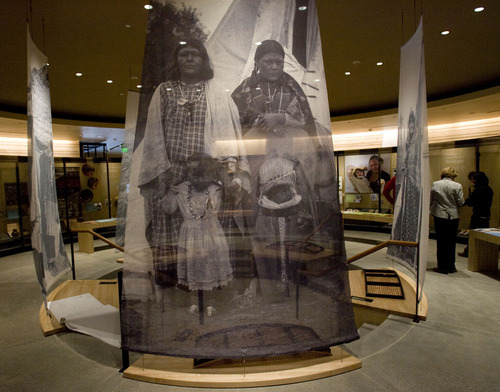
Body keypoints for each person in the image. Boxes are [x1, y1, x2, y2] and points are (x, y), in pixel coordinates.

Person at [138, 39, 250, 284]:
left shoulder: (216, 93)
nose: (189, 59)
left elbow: (226, 135)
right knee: (170, 230)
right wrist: (162, 175)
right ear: (177, 61)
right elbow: (155, 135)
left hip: (206, 175)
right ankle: (174, 283)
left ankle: (210, 282)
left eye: (195, 55)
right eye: (184, 55)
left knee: (208, 231)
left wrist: (226, 173)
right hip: (172, 173)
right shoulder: (164, 91)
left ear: (203, 61)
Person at [231, 39, 322, 297]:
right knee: (257, 217)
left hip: (290, 155)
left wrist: (282, 118)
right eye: (268, 62)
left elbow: (306, 118)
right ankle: (261, 276)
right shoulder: (244, 90)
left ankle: (293, 275)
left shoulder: (292, 85)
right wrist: (262, 121)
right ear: (257, 63)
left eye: (278, 62)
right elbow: (233, 119)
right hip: (256, 155)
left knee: (293, 213)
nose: (274, 66)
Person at [162, 153, 232, 316]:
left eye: (199, 171)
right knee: (193, 266)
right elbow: (169, 209)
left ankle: (211, 301)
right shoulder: (181, 188)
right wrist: (170, 193)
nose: (196, 176)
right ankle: (194, 300)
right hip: (190, 235)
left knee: (209, 267)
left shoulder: (216, 189)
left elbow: (219, 210)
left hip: (211, 232)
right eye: (191, 171)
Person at [430, 167, 465, 274]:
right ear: (453, 176)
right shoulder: (457, 185)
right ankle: (451, 266)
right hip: (453, 216)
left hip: (439, 215)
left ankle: (441, 266)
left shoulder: (435, 184)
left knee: (441, 241)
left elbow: (431, 199)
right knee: (451, 241)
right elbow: (460, 202)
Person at [458, 171, 493, 257]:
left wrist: (461, 203)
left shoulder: (478, 190)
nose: (472, 181)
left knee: (473, 234)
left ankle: (469, 252)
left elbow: (470, 202)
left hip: (477, 215)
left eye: (474, 179)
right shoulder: (489, 189)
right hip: (486, 214)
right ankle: (482, 252)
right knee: (483, 235)